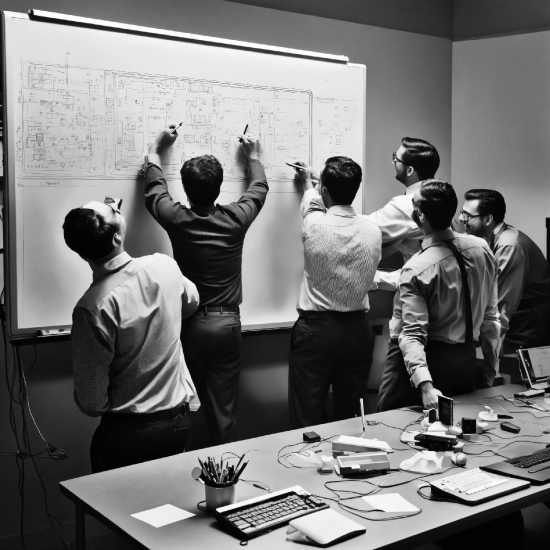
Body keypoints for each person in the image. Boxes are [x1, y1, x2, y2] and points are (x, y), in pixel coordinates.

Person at [143, 126, 268, 445]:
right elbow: (260, 187)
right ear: (219, 186)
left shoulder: (176, 218)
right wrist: (253, 157)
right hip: (227, 325)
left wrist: (156, 151)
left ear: (185, 189)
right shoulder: (236, 218)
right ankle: (226, 482)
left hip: (191, 325)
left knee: (182, 407)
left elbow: (155, 191)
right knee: (223, 413)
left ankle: (182, 478)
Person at [63, 198, 198, 473]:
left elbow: (91, 403)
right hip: (177, 425)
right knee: (169, 510)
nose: (116, 207)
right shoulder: (163, 267)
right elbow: (192, 301)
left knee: (120, 514)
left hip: (128, 433)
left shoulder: (93, 307)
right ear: (116, 237)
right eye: (114, 210)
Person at [377, 180, 500, 412]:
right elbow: (491, 319)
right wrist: (490, 369)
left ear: (420, 216)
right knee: (459, 433)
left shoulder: (416, 268)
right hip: (465, 360)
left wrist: (425, 386)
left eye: (414, 206)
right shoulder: (482, 249)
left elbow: (412, 334)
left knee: (394, 431)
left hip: (422, 365)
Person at [288, 157, 382, 429]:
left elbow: (310, 204)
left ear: (324, 191)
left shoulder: (314, 225)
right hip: (358, 332)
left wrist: (308, 181)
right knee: (350, 414)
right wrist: (318, 184)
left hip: (316, 333)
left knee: (306, 415)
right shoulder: (372, 230)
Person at [459, 189, 550, 354]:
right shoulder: (491, 238)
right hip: (518, 314)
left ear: (488, 219)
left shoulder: (509, 245)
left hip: (528, 320)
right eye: (462, 213)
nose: (461, 219)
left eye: (467, 215)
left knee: (514, 371)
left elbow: (502, 305)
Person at [367, 138, 440, 290]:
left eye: (396, 158)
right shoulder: (439, 196)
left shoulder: (406, 205)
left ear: (409, 170)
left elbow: (360, 229)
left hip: (418, 295)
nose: (394, 162)